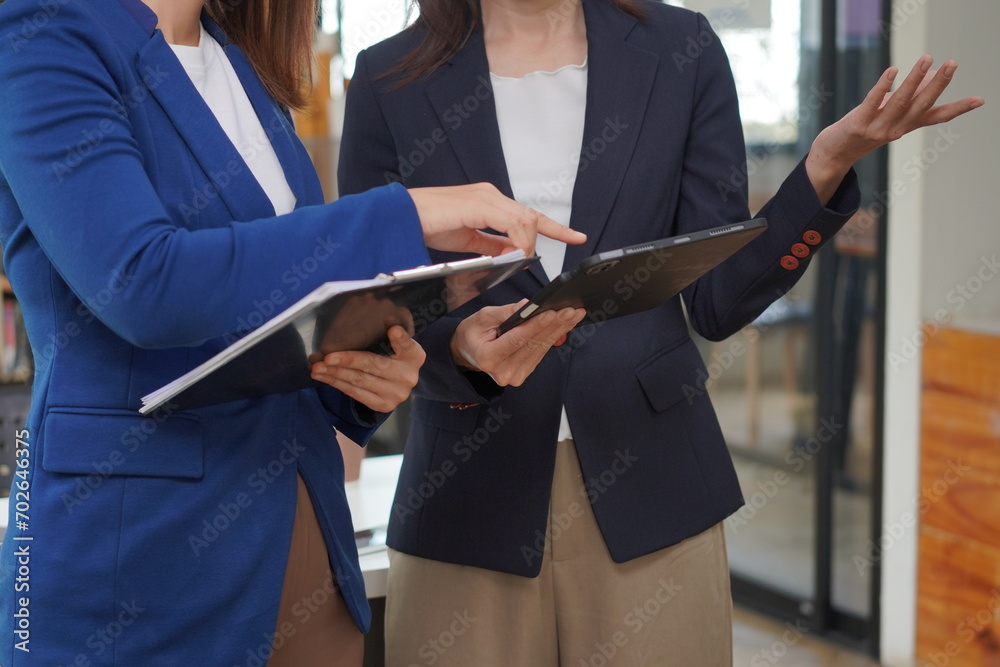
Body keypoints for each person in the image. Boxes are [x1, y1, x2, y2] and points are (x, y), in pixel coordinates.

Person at [339, 0, 984, 664]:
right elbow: (375, 308)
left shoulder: (683, 49)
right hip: (466, 497)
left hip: (653, 485)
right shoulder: (389, 78)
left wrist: (821, 168)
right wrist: (459, 347)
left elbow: (718, 296)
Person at [0, 0, 587, 665]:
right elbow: (142, 283)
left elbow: (277, 306)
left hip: (303, 538)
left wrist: (363, 376)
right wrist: (406, 212)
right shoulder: (43, 31)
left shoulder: (235, 57)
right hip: (142, 563)